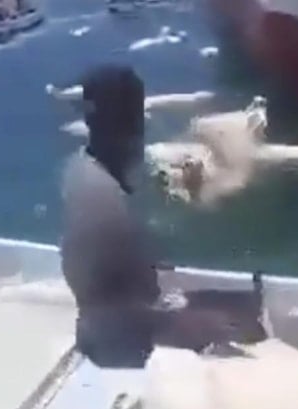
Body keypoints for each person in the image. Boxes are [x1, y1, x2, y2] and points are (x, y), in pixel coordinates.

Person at [60, 64, 265, 367]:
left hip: (118, 316)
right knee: (246, 330)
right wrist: (189, 323)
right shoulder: (103, 198)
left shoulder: (87, 167)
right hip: (118, 337)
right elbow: (108, 300)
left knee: (246, 306)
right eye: (132, 112)